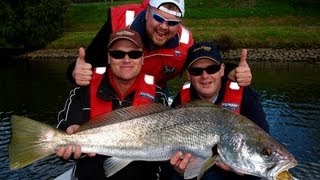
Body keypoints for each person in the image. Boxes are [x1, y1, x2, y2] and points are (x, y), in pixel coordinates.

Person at [56, 29, 174, 180]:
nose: (126, 60)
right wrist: (67, 134)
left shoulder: (158, 97)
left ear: (142, 59)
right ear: (109, 58)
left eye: (134, 54)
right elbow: (63, 133)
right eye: (118, 54)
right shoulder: (84, 90)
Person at [69, 0, 252, 92]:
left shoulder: (185, 41)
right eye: (158, 18)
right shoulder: (119, 23)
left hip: (153, 93)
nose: (164, 27)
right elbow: (85, 65)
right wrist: (74, 72)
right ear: (147, 13)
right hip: (114, 91)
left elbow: (204, 68)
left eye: (172, 23)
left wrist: (231, 72)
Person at [170, 42, 269, 180]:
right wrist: (179, 171)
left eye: (212, 69)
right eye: (196, 71)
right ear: (188, 75)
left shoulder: (247, 98)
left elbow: (262, 145)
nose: (205, 76)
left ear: (222, 70)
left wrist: (240, 171)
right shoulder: (180, 100)